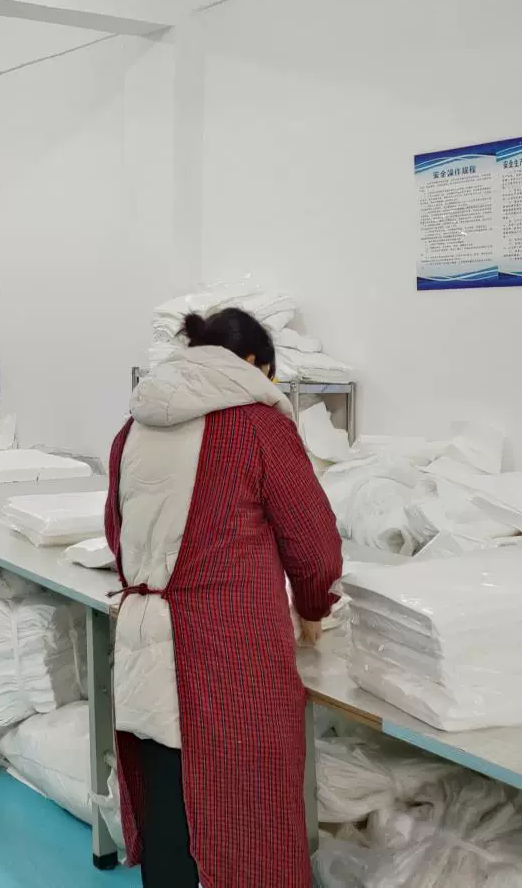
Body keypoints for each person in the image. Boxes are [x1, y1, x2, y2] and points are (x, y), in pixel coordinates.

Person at [105, 308, 341, 887]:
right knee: (247, 813)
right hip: (230, 654)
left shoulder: (133, 427)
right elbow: (314, 547)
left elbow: (117, 533)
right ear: (255, 364)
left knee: (168, 804)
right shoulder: (258, 427)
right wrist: (312, 609)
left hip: (145, 641)